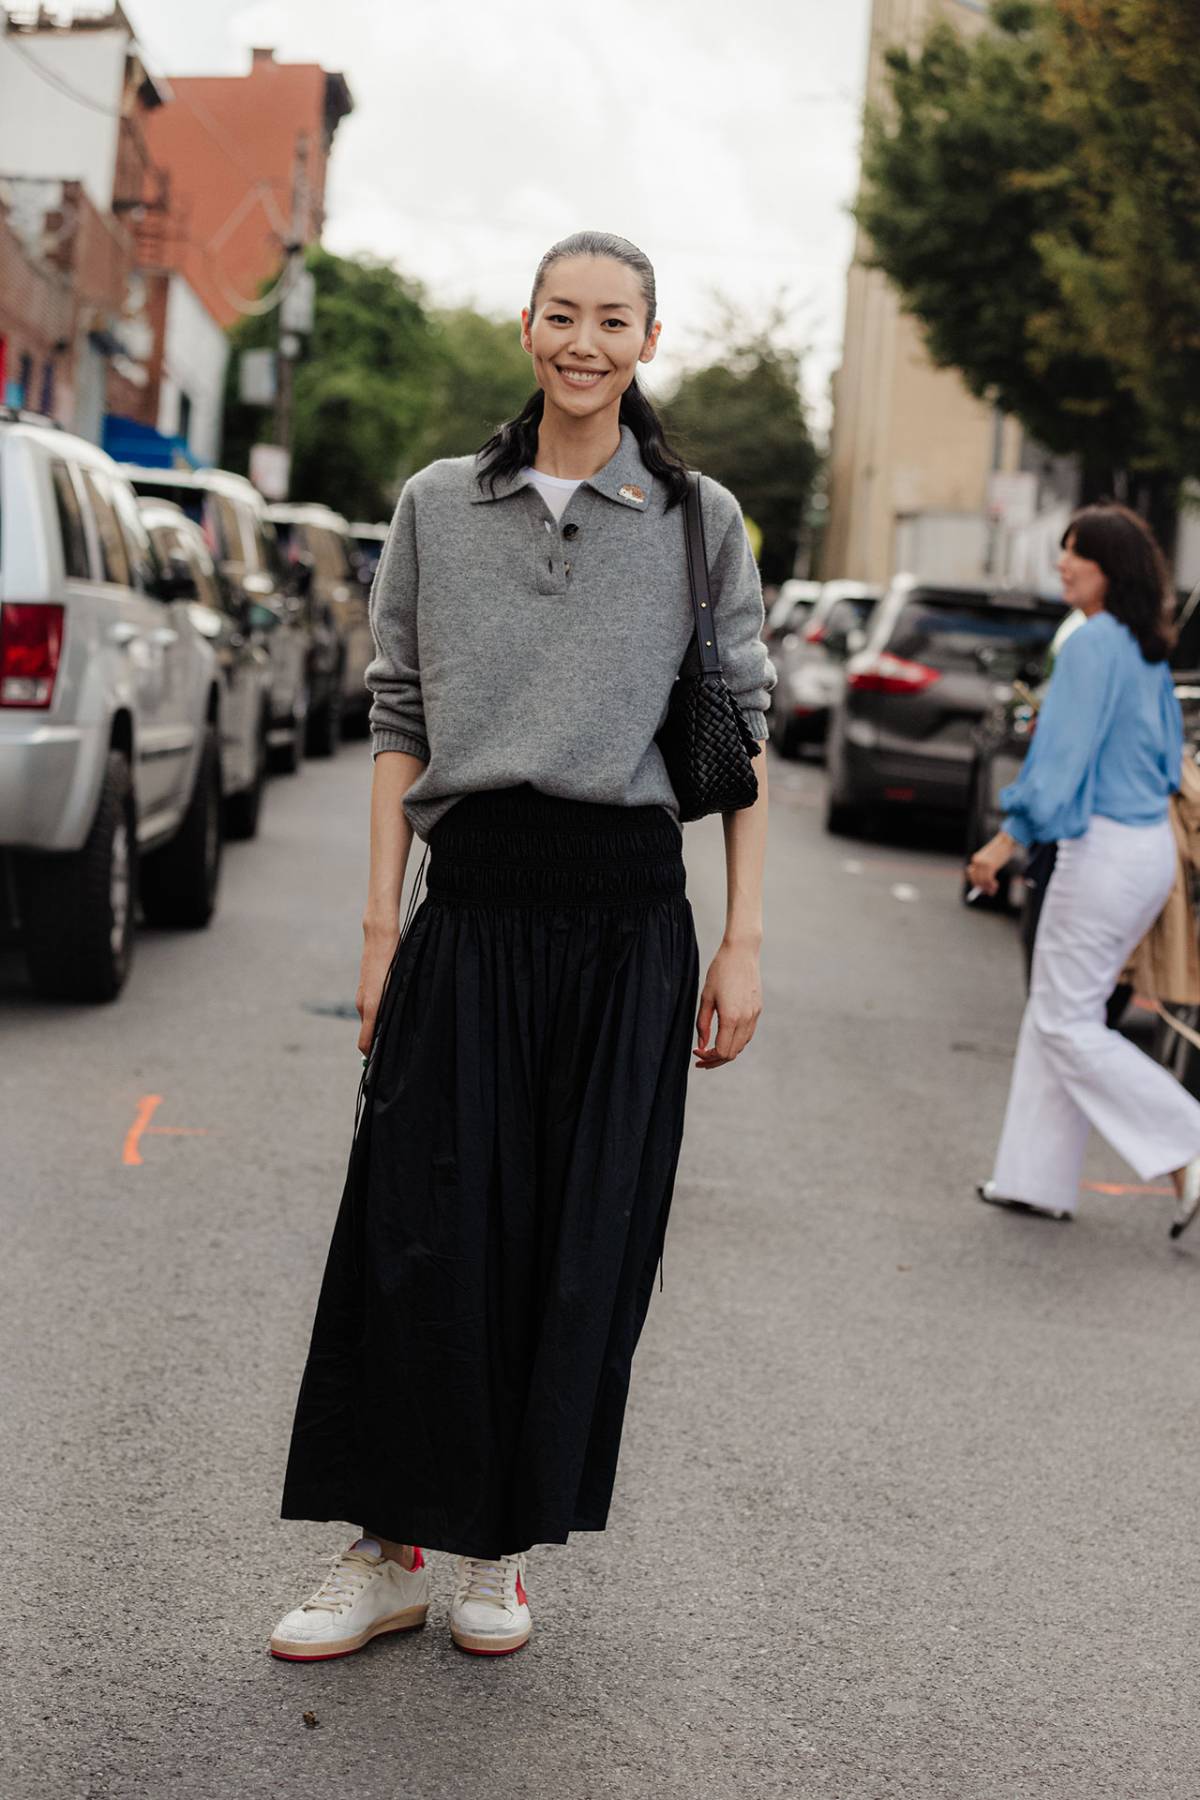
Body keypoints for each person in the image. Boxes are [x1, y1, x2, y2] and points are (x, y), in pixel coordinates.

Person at [270, 231, 775, 1661]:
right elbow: (396, 719)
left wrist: (744, 941)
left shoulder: (697, 520)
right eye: (564, 315)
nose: (585, 342)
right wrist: (381, 926)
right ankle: (386, 1550)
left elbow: (738, 744)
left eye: (615, 321)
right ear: (525, 327)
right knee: (415, 1228)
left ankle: (499, 1550)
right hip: (472, 904)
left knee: (576, 1241)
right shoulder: (439, 504)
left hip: (628, 919)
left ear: (648, 343)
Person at [968, 503, 1200, 1236]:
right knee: (1058, 1011)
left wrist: (1002, 846)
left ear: (1114, 570)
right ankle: (1033, 1179)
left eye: (1080, 554)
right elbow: (1167, 763)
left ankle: (1190, 1142)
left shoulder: (1095, 645)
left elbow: (1057, 766)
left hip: (1101, 850)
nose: (1063, 563)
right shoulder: (1143, 649)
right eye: (1064, 550)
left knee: (1066, 1017)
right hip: (1142, 850)